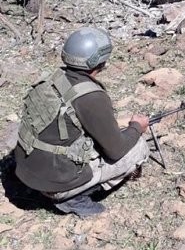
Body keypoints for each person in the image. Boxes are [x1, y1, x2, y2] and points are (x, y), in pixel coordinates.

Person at [14, 28, 149, 218]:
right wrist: (136, 127)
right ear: (100, 61)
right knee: (138, 148)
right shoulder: (91, 96)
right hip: (54, 183)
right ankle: (73, 197)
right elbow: (116, 151)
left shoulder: (52, 79)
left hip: (25, 169)